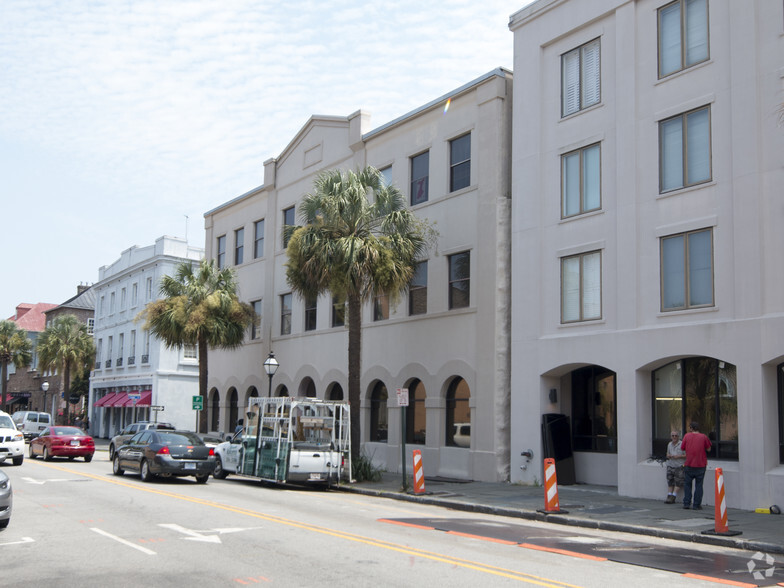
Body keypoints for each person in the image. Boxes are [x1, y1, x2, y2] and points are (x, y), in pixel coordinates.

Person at [680, 421, 711, 510]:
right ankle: (696, 504)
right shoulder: (703, 437)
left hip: (689, 464)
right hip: (701, 464)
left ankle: (686, 503)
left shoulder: (686, 436)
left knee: (687, 485)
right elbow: (708, 449)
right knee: (699, 485)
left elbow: (682, 448)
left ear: (691, 428)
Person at [664, 430, 685, 503]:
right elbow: (667, 453)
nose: (674, 437)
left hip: (679, 465)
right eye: (673, 436)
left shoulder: (682, 444)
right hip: (670, 465)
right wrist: (669, 455)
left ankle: (673, 496)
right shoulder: (669, 444)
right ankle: (669, 495)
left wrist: (678, 456)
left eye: (676, 435)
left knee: (678, 481)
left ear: (678, 436)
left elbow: (687, 455)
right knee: (670, 480)